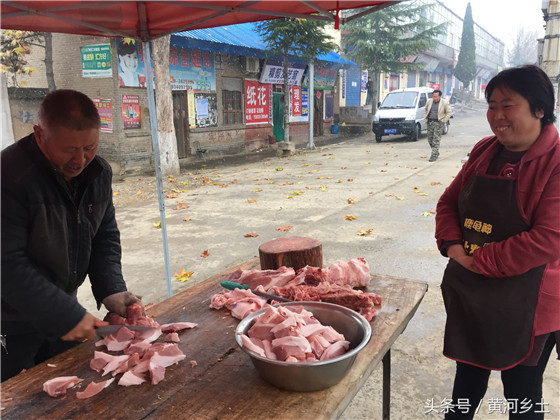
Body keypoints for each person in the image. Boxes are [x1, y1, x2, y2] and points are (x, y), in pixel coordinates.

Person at [435, 65, 560, 419]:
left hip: (528, 304)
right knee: (466, 384)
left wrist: (480, 262)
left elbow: (549, 239)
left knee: (522, 397)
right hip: (473, 294)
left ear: (539, 108)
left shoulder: (555, 162)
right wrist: (455, 248)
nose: (497, 116)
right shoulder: (485, 150)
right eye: (492, 106)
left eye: (508, 106)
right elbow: (448, 203)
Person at [1, 90, 141, 382]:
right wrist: (65, 314)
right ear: (39, 135)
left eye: (89, 147)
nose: (80, 160)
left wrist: (110, 287)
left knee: (64, 394)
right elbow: (7, 264)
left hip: (62, 308)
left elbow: (103, 235)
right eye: (69, 150)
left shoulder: (98, 172)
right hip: (9, 323)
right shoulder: (9, 177)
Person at [424, 89, 452, 162]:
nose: (434, 98)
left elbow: (449, 113)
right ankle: (436, 151)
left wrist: (443, 121)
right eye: (433, 96)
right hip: (430, 122)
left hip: (438, 123)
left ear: (439, 96)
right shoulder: (429, 101)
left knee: (436, 139)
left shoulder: (444, 103)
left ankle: (433, 155)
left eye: (436, 96)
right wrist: (425, 119)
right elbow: (426, 110)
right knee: (430, 139)